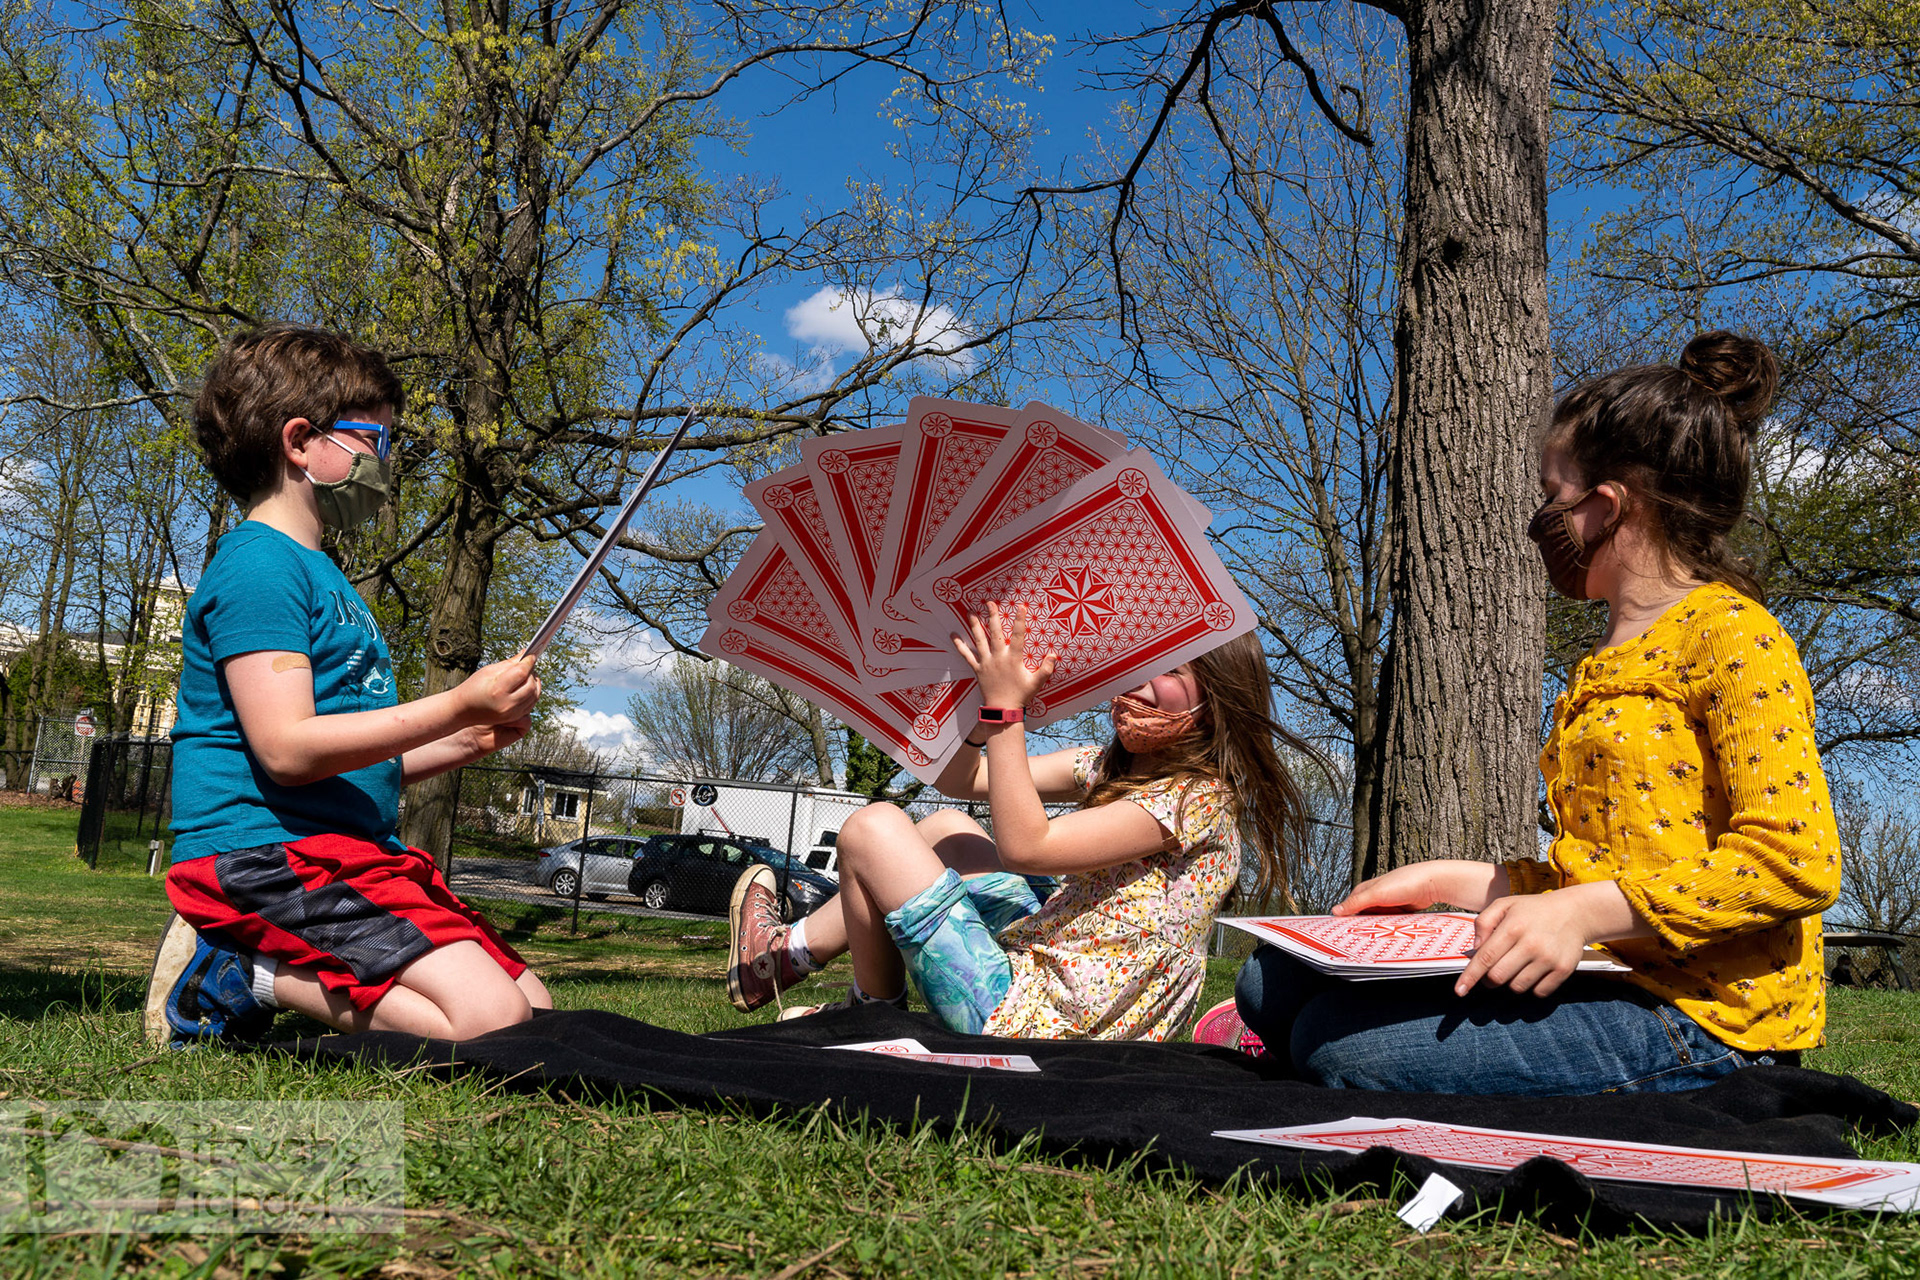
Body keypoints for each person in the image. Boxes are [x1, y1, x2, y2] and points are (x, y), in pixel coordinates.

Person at [1235, 331, 1842, 1095]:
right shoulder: (1607, 656)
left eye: (1553, 498)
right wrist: (1450, 880)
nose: (1542, 520)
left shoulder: (1735, 636)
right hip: (1606, 968)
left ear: (1609, 506)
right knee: (1273, 980)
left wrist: (1584, 914)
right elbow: (1602, 866)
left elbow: (1797, 863)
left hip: (1701, 1013)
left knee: (1339, 1047)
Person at [143, 324, 551, 1047]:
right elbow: (289, 752)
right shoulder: (259, 569)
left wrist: (466, 739)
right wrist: (456, 700)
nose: (386, 464)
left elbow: (349, 759)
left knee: (534, 1011)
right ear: (300, 441)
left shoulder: (326, 577)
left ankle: (262, 970)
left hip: (348, 850)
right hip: (266, 856)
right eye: (376, 442)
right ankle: (237, 970)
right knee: (490, 1022)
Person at [727, 603, 1310, 1039]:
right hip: (1048, 977)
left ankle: (870, 1015)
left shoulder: (1197, 797)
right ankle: (783, 958)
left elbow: (1029, 846)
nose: (1136, 684)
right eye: (1136, 666)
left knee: (872, 828)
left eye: (1168, 671)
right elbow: (962, 779)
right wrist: (982, 703)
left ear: (1219, 695)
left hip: (1043, 1026)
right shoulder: (1106, 765)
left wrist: (1008, 711)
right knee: (946, 828)